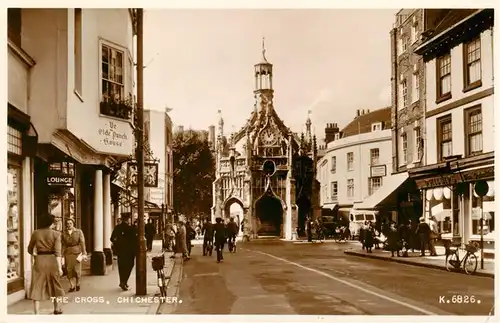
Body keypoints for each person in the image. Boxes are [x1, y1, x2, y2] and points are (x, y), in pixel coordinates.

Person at [27, 213, 65, 315]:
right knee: (55, 285)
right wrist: (60, 268)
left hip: (39, 261)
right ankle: (56, 309)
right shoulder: (56, 234)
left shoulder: (36, 233)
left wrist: (35, 254)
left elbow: (29, 249)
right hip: (52, 261)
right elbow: (58, 252)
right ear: (51, 223)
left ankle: (36, 313)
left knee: (37, 286)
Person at [110, 215, 136, 291]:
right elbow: (134, 240)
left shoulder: (117, 228)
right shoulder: (131, 228)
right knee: (129, 266)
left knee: (121, 267)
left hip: (120, 251)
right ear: (128, 220)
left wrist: (117, 244)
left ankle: (123, 281)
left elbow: (112, 238)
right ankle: (124, 281)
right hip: (130, 252)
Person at [62, 217, 87, 292]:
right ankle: (72, 285)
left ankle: (78, 284)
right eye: (67, 223)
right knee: (68, 270)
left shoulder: (79, 232)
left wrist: (84, 253)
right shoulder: (64, 233)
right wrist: (61, 254)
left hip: (77, 253)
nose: (69, 225)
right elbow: (63, 244)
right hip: (68, 253)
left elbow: (82, 242)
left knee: (77, 270)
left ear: (73, 224)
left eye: (70, 223)